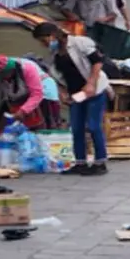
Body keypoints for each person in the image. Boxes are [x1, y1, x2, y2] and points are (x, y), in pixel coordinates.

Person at [31, 22, 109, 176]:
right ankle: (80, 162)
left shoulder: (79, 43)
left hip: (94, 90)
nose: (43, 44)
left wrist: (91, 83)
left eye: (43, 40)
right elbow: (57, 76)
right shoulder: (55, 54)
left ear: (52, 36)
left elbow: (97, 61)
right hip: (76, 94)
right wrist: (62, 92)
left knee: (93, 126)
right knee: (77, 127)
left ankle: (100, 162)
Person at [0, 54, 48, 132]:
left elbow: (37, 94)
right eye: (1, 76)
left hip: (34, 103)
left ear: (12, 69)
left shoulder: (27, 68)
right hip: (11, 104)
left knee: (36, 134)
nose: (5, 78)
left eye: (6, 74)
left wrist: (23, 110)